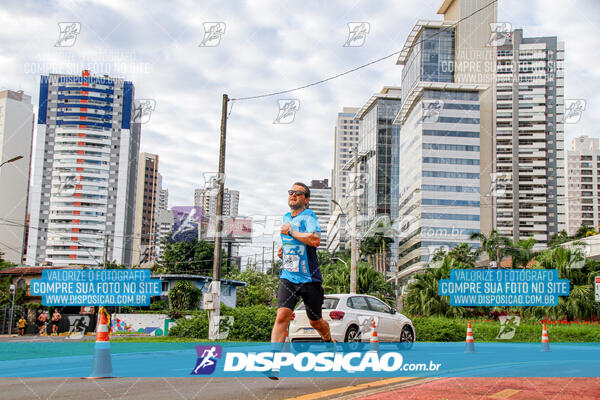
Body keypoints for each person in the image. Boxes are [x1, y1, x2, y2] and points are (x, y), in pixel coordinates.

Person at [270, 183, 334, 362]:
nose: (293, 195)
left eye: (298, 193)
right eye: (291, 192)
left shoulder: (309, 216)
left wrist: (291, 231)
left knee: (315, 322)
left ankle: (328, 340)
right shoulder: (285, 217)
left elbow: (315, 240)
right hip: (288, 276)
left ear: (306, 200)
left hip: (309, 279)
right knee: (282, 315)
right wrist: (283, 249)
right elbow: (294, 240)